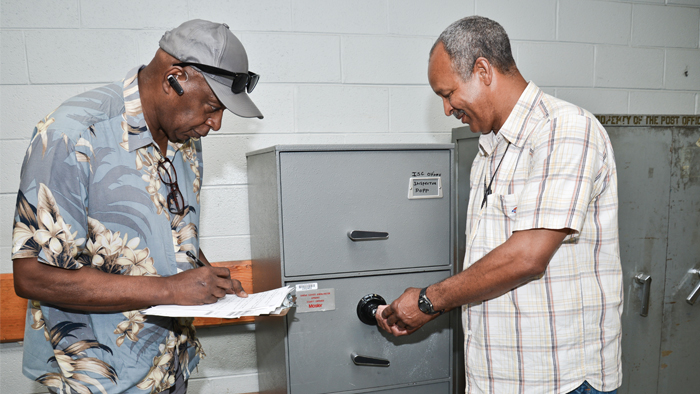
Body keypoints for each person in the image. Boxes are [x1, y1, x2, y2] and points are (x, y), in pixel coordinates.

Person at [11, 19, 262, 394]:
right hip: (96, 380)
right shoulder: (72, 134)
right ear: (174, 78)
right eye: (212, 106)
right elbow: (32, 276)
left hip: (170, 369)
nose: (217, 123)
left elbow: (168, 228)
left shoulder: (184, 138)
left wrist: (206, 275)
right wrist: (170, 289)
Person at [376, 16, 622, 394]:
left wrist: (428, 301)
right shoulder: (491, 149)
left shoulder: (564, 130)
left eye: (448, 93)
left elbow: (527, 257)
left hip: (559, 381)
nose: (446, 109)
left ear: (482, 70)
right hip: (500, 377)